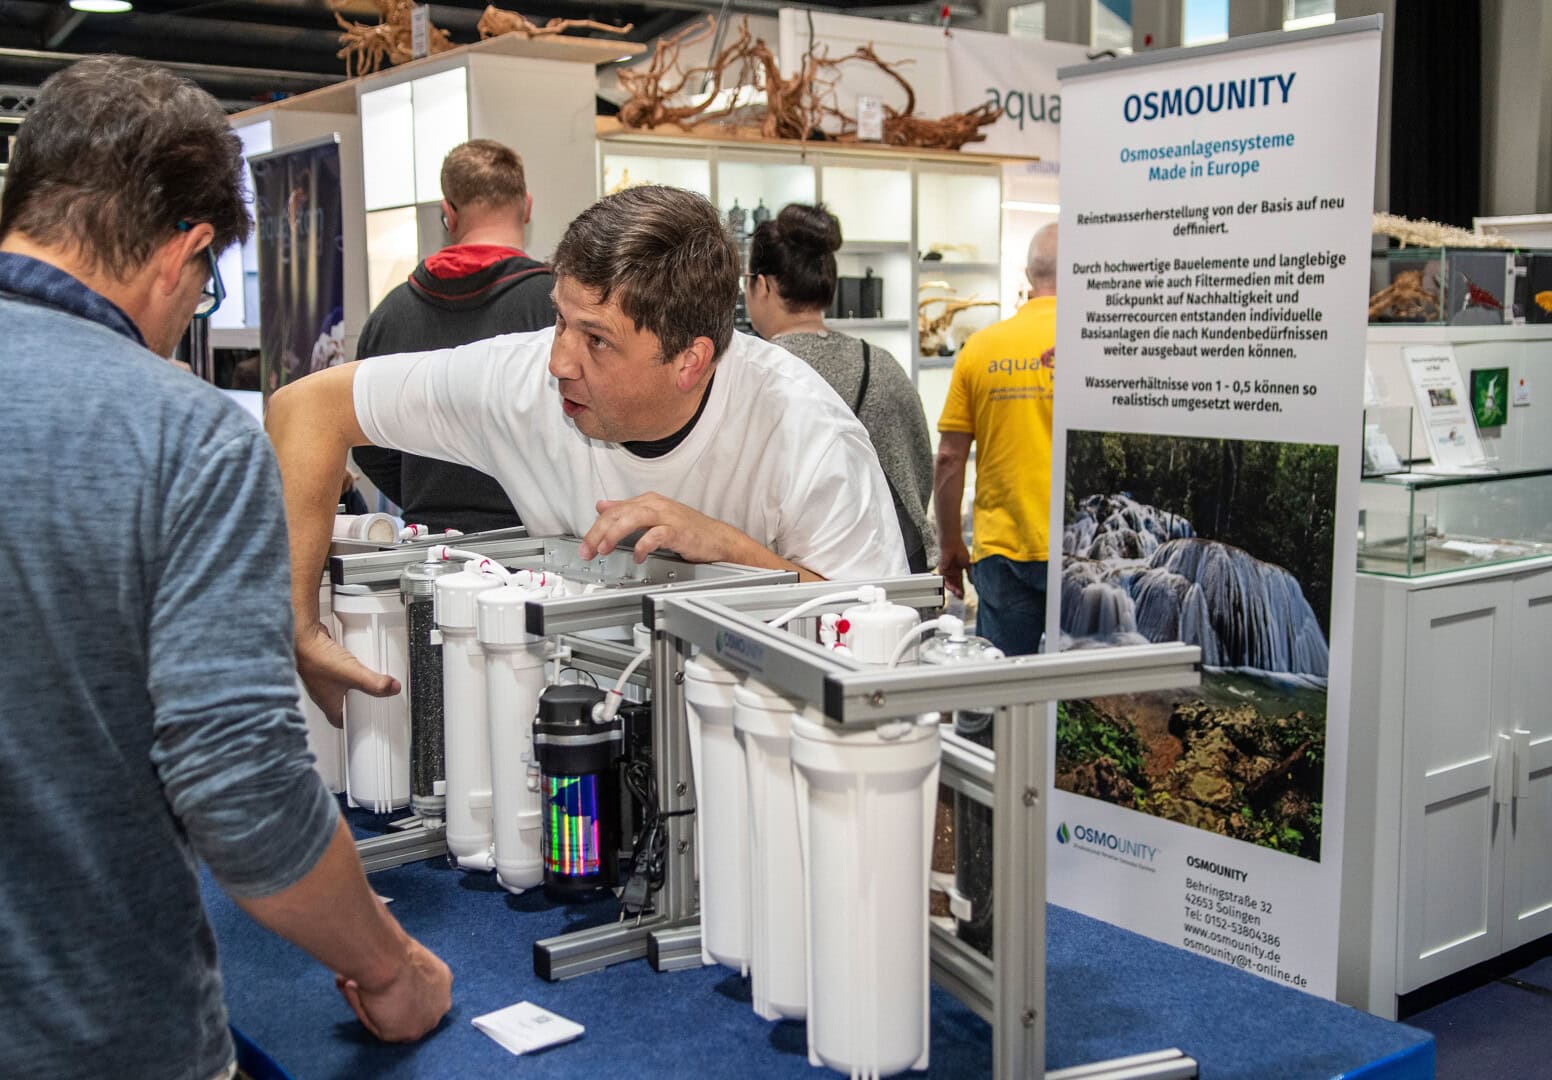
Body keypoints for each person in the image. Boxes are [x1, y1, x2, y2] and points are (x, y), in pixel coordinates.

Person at [0, 57, 451, 1080]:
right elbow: (240, 787)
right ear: (186, 251)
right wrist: (390, 969)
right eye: (205, 289)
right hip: (92, 1035)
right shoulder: (182, 434)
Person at [267, 185, 907, 724]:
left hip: (754, 755)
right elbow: (304, 410)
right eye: (561, 321)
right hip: (580, 756)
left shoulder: (807, 433)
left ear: (691, 360)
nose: (558, 361)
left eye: (596, 339)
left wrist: (731, 551)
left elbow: (883, 648)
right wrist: (300, 627)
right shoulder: (517, 382)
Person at [353, 138, 554, 534]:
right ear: (527, 206)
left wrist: (423, 492)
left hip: (430, 544)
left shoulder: (391, 313)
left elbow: (367, 441)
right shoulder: (561, 306)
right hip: (544, 545)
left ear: (448, 214)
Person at [744, 203, 937, 573]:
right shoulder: (882, 365)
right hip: (892, 581)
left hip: (790, 589)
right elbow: (918, 474)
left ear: (762, 285)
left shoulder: (750, 376)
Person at [933, 224, 1059, 656]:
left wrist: (950, 543)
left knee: (1001, 688)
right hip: (1079, 552)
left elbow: (950, 457)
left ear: (1027, 274)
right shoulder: (1100, 345)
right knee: (1079, 700)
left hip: (1001, 548)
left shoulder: (982, 348)